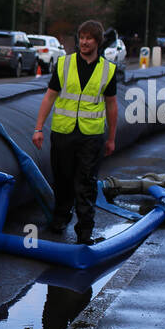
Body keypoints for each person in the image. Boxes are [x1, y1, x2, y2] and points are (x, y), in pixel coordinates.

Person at [32, 20, 118, 246]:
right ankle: (60, 219)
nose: (84, 42)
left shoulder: (108, 70)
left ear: (97, 42)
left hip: (91, 136)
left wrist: (111, 138)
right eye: (81, 37)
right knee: (62, 180)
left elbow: (111, 105)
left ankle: (84, 232)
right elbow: (50, 96)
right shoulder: (64, 64)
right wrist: (38, 128)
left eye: (89, 38)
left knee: (86, 183)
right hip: (63, 133)